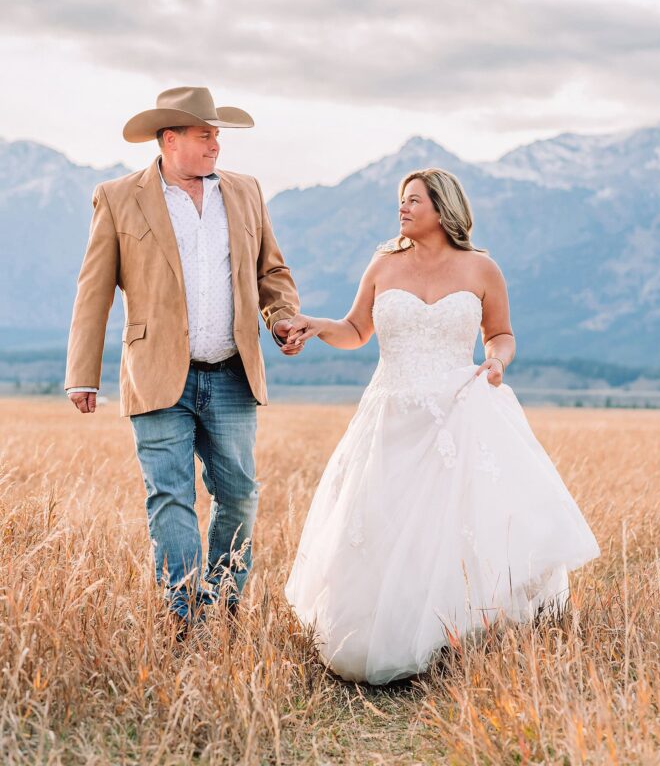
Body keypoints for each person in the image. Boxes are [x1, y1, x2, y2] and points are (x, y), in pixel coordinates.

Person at [282, 168, 600, 685]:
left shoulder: (482, 269)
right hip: (391, 415)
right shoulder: (384, 263)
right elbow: (356, 329)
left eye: (413, 201)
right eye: (401, 201)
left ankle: (461, 643)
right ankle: (384, 636)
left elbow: (500, 334)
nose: (402, 209)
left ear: (443, 207)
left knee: (458, 527)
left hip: (460, 411)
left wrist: (497, 362)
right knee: (383, 524)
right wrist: (318, 327)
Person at [65, 86, 302, 633]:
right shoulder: (119, 197)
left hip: (232, 374)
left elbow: (272, 273)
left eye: (218, 134)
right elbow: (94, 290)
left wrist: (282, 317)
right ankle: (183, 620)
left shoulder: (246, 192)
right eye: (205, 134)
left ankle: (223, 608)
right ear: (170, 140)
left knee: (239, 495)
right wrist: (83, 375)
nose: (216, 143)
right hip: (155, 374)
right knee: (170, 497)